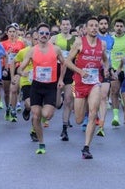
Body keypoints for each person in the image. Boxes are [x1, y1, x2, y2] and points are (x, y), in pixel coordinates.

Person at [64, 17, 109, 159]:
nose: (95, 28)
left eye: (96, 25)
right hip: (80, 82)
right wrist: (80, 71)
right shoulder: (79, 42)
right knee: (78, 119)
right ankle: (83, 114)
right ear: (86, 28)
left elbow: (105, 60)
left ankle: (86, 147)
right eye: (91, 25)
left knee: (93, 112)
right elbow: (67, 61)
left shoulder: (102, 44)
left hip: (95, 82)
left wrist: (106, 69)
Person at [17, 23, 65, 154]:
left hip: (50, 86)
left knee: (47, 114)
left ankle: (50, 106)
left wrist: (60, 79)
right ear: (37, 35)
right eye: (41, 33)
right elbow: (20, 67)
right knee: (36, 116)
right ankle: (41, 143)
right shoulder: (32, 50)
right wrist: (22, 72)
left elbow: (64, 63)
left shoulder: (56, 49)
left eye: (46, 33)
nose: (44, 35)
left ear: (49, 36)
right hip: (36, 86)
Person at [50, 17, 75, 141]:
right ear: (60, 26)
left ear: (70, 26)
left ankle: (64, 128)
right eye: (63, 24)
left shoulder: (76, 40)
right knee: (57, 103)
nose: (65, 26)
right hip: (56, 71)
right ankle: (58, 102)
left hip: (70, 72)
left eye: (67, 24)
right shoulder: (54, 39)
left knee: (68, 100)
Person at [12, 31, 40, 141]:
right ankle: (26, 109)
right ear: (31, 40)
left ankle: (34, 131)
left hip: (40, 82)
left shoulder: (45, 52)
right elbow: (14, 61)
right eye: (35, 39)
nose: (37, 41)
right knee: (30, 105)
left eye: (39, 39)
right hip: (27, 82)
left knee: (37, 109)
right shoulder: (24, 51)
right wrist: (16, 74)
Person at [0, 23, 25, 122]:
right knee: (6, 92)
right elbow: (0, 56)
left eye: (14, 31)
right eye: (10, 32)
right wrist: (6, 53)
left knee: (14, 90)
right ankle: (8, 108)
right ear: (7, 33)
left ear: (17, 33)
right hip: (6, 68)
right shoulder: (3, 44)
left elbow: (24, 57)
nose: (12, 33)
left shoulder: (21, 43)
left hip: (17, 68)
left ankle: (13, 111)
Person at [110, 19, 125, 126]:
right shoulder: (110, 39)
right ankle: (115, 116)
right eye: (117, 26)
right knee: (114, 91)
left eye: (121, 26)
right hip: (114, 69)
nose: (119, 28)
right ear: (114, 27)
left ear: (124, 27)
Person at [96, 15, 114, 137]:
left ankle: (101, 125)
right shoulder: (93, 37)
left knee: (103, 97)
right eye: (101, 23)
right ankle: (91, 117)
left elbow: (109, 56)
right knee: (94, 98)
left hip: (105, 70)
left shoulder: (111, 39)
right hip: (93, 70)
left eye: (105, 23)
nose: (103, 26)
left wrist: (111, 69)